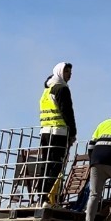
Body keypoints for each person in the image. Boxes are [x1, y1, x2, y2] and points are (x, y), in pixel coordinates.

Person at [38, 61, 77, 204]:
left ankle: (41, 194)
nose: (69, 75)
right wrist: (72, 133)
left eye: (70, 72)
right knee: (56, 164)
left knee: (46, 163)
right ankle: (48, 196)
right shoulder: (62, 89)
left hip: (45, 133)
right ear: (60, 72)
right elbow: (67, 112)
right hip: (58, 133)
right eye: (67, 72)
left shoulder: (47, 90)